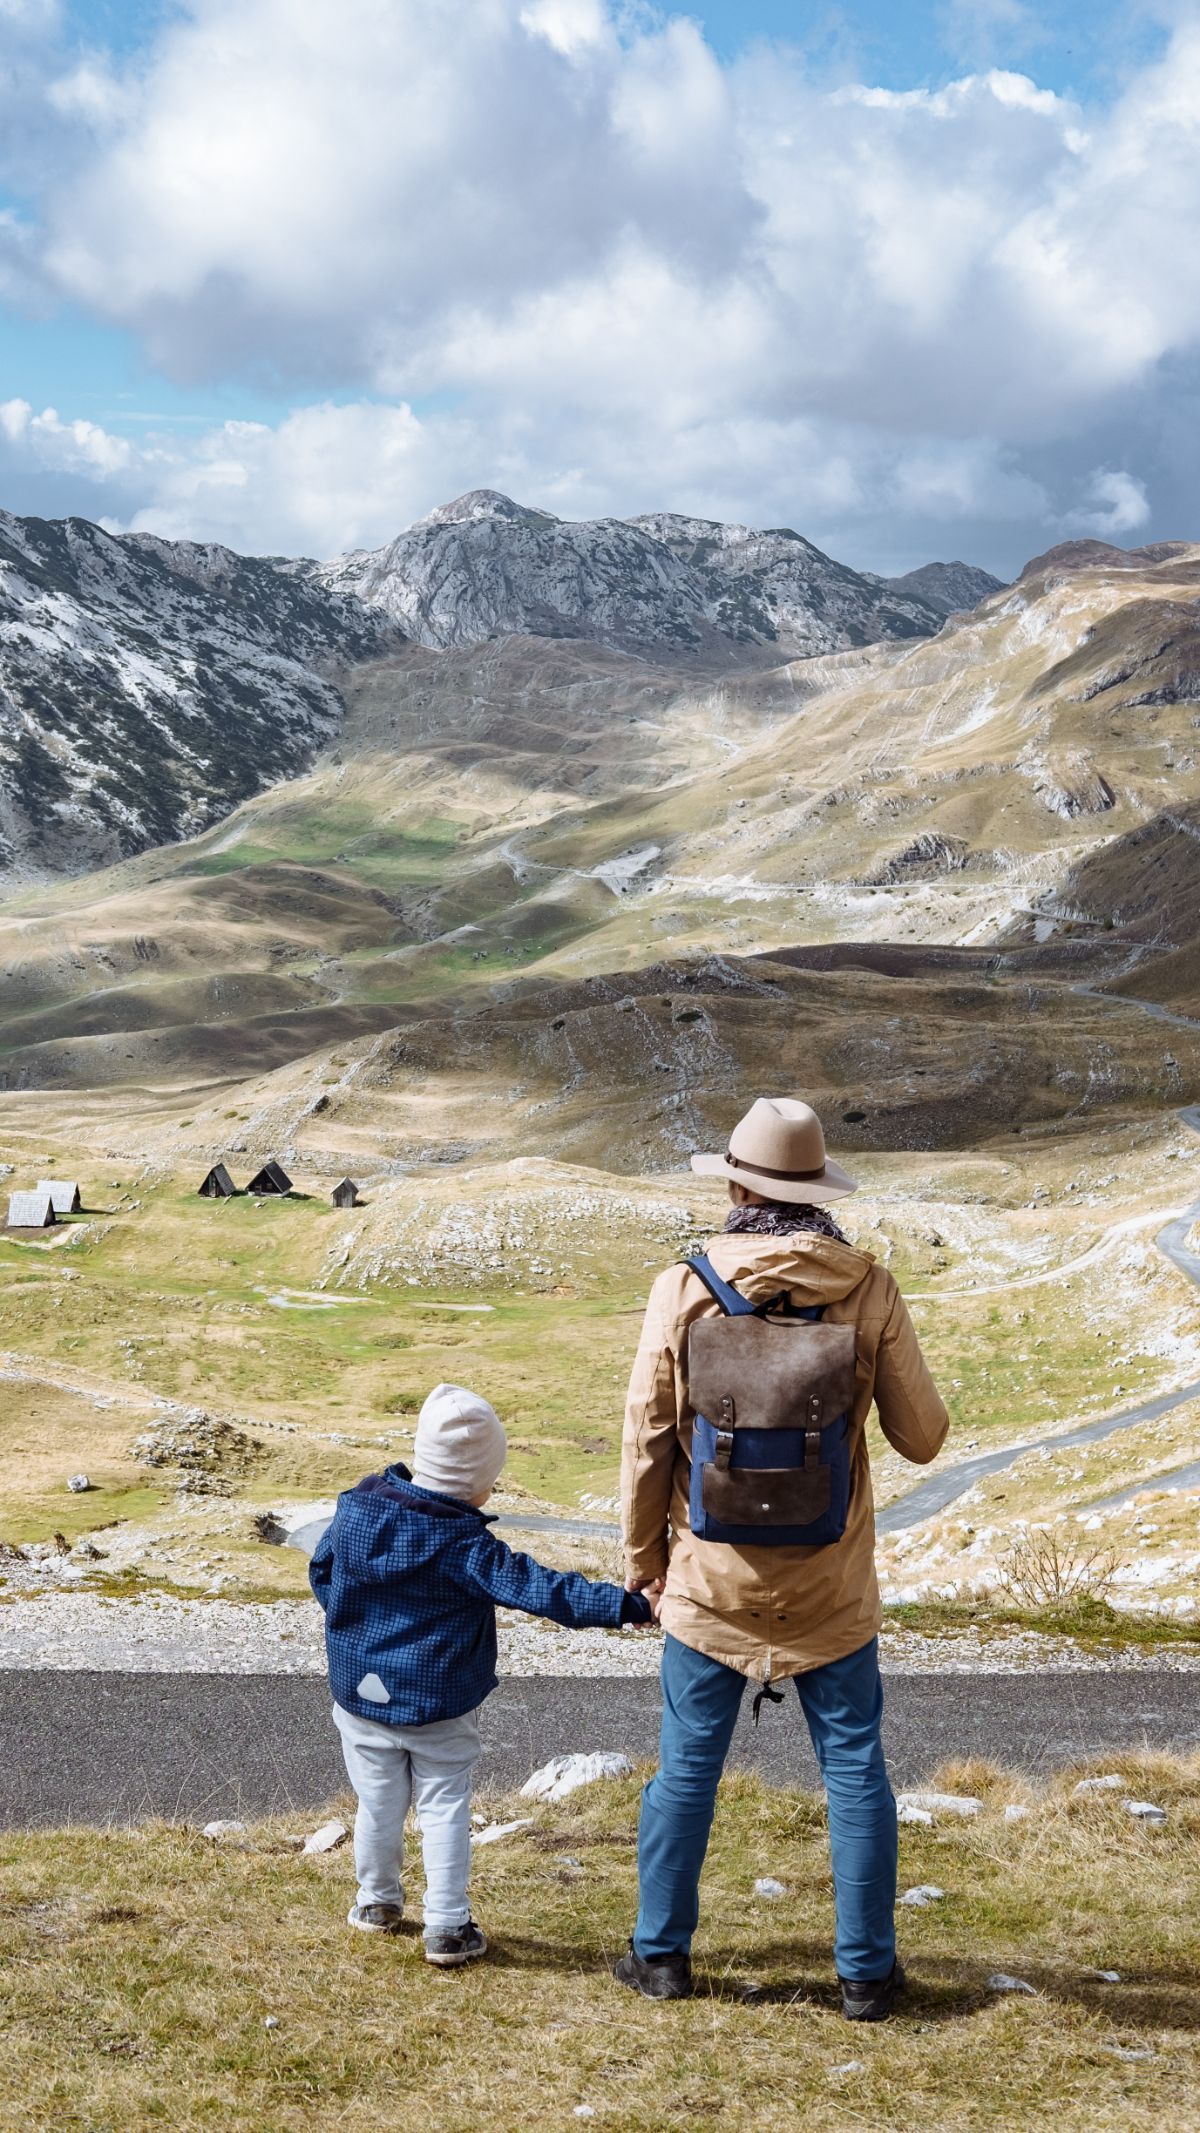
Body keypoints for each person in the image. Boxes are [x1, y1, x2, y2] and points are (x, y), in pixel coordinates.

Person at [614, 1097, 948, 2017]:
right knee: (854, 1771)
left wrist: (647, 1558)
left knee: (685, 1771)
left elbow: (648, 1439)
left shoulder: (681, 1288)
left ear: (733, 1185)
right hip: (832, 1585)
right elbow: (923, 1437)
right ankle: (867, 1974)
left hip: (709, 1585)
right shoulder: (869, 1286)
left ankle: (661, 1956)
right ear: (819, 1192)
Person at [311, 1381, 654, 1967]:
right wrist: (630, 1606)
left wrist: (354, 1628)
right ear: (476, 1481)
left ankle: (376, 1903)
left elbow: (323, 1573)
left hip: (359, 1693)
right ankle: (446, 1928)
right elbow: (542, 1590)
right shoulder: (465, 1542)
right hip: (439, 1699)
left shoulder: (356, 1510)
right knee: (444, 1803)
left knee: (377, 1802)